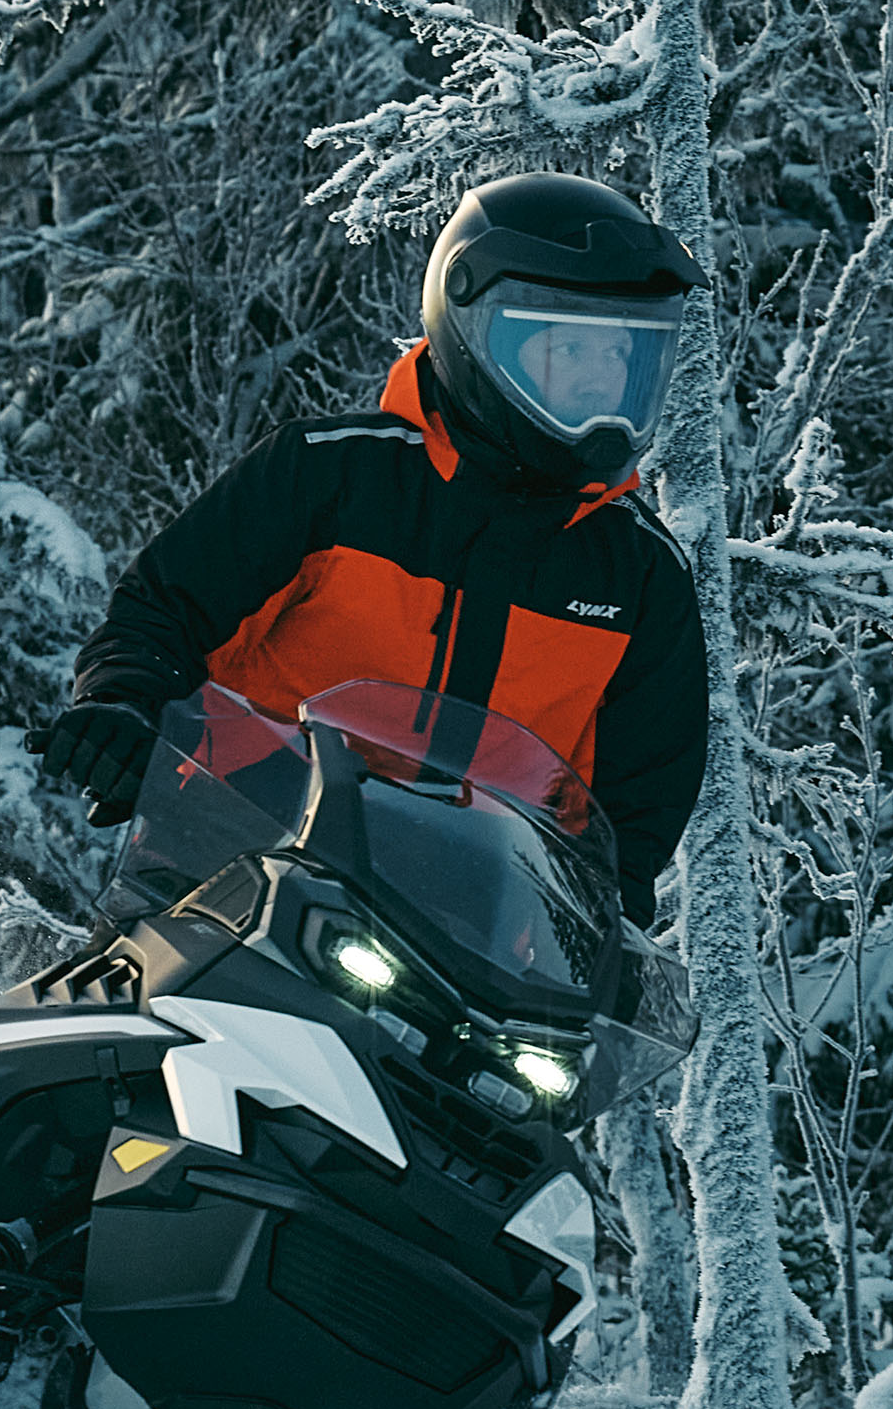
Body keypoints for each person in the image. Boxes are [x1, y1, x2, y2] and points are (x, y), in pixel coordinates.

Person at [39, 173, 713, 918]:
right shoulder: (332, 477)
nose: (603, 383)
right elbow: (164, 612)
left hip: (466, 941)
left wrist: (602, 934)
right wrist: (121, 709)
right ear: (481, 335)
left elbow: (627, 830)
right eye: (571, 352)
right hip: (231, 875)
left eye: (624, 357)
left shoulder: (641, 579)